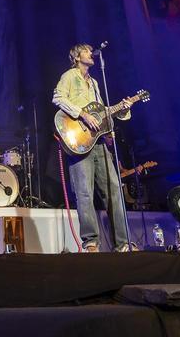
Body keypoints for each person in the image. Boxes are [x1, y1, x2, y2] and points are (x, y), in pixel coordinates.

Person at [52, 43, 133, 252]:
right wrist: (82, 114)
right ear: (77, 57)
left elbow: (102, 112)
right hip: (79, 142)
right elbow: (58, 97)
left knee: (114, 190)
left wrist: (122, 109)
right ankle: (90, 242)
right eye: (87, 51)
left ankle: (123, 243)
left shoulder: (95, 82)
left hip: (98, 143)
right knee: (84, 193)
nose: (91, 53)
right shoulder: (69, 76)